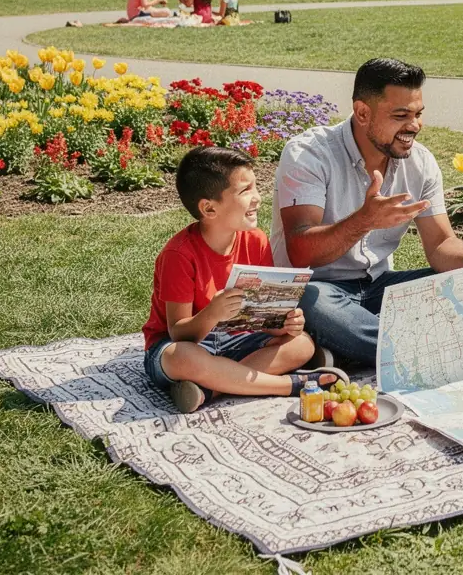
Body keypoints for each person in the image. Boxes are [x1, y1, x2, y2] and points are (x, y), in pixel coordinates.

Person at [270, 58, 463, 367]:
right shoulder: (309, 154)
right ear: (362, 112)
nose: (414, 126)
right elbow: (301, 252)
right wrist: (364, 220)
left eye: (418, 114)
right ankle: (450, 349)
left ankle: (355, 351)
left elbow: (439, 246)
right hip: (320, 287)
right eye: (401, 115)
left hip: (380, 288)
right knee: (310, 300)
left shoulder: (420, 163)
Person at [141, 146, 344, 414]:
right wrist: (212, 313)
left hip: (239, 340)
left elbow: (262, 319)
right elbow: (178, 332)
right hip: (183, 347)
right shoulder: (178, 255)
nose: (257, 198)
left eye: (256, 186)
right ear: (209, 208)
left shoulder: (255, 239)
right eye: (245, 191)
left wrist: (283, 324)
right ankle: (287, 384)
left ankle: (209, 388)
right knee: (182, 358)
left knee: (302, 343)